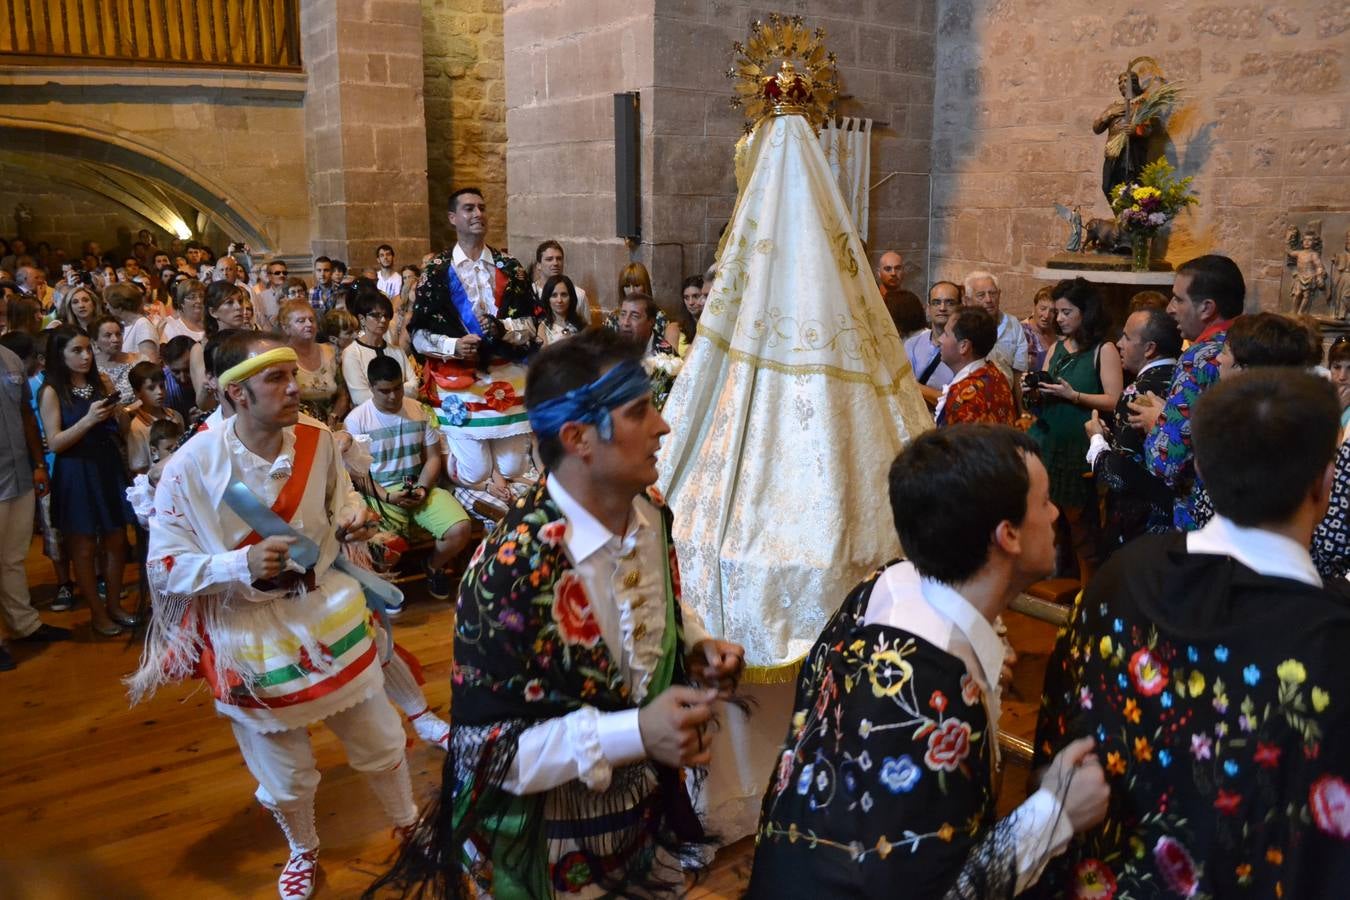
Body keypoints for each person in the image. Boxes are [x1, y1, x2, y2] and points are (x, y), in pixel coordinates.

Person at [372, 328, 745, 898]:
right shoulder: (511, 568)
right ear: (578, 438)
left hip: (640, 821)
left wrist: (690, 641)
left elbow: (640, 601)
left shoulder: (648, 510)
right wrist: (638, 730)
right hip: (547, 838)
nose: (662, 426)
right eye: (640, 411)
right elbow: (491, 755)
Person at [748, 425, 1108, 897]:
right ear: (1008, 535)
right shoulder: (933, 691)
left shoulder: (885, 587)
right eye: (1044, 502)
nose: (1057, 512)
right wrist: (1054, 815)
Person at [1032, 370, 1350, 899]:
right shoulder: (1335, 644)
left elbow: (1061, 734)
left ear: (1199, 466)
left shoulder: (1120, 576)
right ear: (1324, 482)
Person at [128, 331, 418, 900]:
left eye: (293, 375)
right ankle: (303, 848)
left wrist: (352, 521)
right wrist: (238, 564)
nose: (296, 388)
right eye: (277, 379)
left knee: (382, 738)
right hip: (249, 629)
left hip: (326, 610)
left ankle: (409, 824)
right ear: (236, 393)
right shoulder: (190, 467)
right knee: (284, 773)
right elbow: (164, 566)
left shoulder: (315, 438)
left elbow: (341, 502)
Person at [408, 187, 538, 501]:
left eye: (481, 207)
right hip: (460, 382)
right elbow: (418, 334)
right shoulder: (436, 271)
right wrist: (453, 345)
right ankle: (469, 491)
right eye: (468, 209)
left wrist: (502, 328)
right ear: (453, 218)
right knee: (475, 470)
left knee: (512, 466)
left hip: (506, 379)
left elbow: (531, 325)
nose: (477, 214)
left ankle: (503, 520)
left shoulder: (511, 267)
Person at [344, 355, 472, 601]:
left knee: (460, 528)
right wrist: (387, 496)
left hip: (417, 486)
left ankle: (433, 566)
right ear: (371, 388)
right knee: (383, 542)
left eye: (397, 388)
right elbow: (356, 473)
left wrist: (423, 488)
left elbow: (434, 457)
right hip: (379, 491)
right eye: (384, 391)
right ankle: (382, 585)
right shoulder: (357, 420)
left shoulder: (419, 410)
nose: (393, 396)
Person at [1131, 254, 1245, 531]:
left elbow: (1164, 462)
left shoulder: (1200, 359)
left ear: (1206, 307)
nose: (1170, 309)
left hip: (1200, 516)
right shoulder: (1250, 347)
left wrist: (1156, 421)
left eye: (1178, 299)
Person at [38, 327, 137, 635]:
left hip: (106, 464)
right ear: (60, 356)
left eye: (87, 350)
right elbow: (54, 442)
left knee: (117, 540)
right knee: (82, 546)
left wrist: (119, 413)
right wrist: (89, 419)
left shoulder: (102, 381)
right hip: (75, 470)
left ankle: (115, 605)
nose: (85, 357)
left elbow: (120, 428)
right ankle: (96, 612)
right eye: (76, 351)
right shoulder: (52, 391)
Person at [1027, 278, 1124, 583]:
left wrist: (1075, 396)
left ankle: (1087, 593)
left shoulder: (1103, 349)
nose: (1059, 319)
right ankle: (1046, 588)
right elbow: (1048, 392)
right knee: (1045, 522)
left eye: (1067, 312)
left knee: (1081, 527)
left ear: (1086, 312)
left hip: (1078, 447)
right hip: (1047, 440)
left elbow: (1114, 400)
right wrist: (1033, 389)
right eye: (1057, 312)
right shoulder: (1057, 345)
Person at [1085, 306, 1181, 552]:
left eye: (1127, 337)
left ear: (1149, 348)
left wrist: (1097, 440)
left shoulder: (1136, 395)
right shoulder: (1186, 382)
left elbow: (1118, 477)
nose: (1118, 343)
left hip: (1144, 529)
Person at [0, 336, 70, 671]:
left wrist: (39, 464)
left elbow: (27, 415)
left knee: (13, 557)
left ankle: (24, 624)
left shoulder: (11, 360)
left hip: (19, 475)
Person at [935, 305, 1015, 426]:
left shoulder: (965, 396)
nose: (939, 340)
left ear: (963, 346)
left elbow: (957, 444)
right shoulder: (994, 373)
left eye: (946, 334)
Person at [340, 290, 418, 406]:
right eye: (376, 315)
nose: (383, 320)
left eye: (386, 316)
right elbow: (360, 398)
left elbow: (415, 387)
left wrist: (380, 393)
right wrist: (401, 388)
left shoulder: (397, 351)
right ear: (362, 319)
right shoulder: (352, 353)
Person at [278, 298, 348, 426]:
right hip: (298, 426)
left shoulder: (330, 351)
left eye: (311, 320)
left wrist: (333, 417)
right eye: (301, 321)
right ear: (286, 328)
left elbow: (343, 395)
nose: (309, 324)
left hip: (333, 424)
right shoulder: (282, 357)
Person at [190, 280, 251, 412]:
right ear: (213, 312)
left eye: (240, 301)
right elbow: (203, 404)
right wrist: (209, 385)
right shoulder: (200, 350)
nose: (239, 307)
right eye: (229, 302)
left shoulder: (251, 342)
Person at [964, 271, 1029, 396]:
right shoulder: (961, 327)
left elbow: (1018, 372)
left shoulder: (1013, 324)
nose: (989, 300)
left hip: (1005, 398)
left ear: (999, 294)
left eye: (992, 293)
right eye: (981, 295)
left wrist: (1023, 412)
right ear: (968, 300)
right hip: (970, 398)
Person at [904, 281, 961, 408]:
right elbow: (903, 388)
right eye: (936, 302)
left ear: (960, 308)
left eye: (950, 302)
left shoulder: (964, 349)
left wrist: (915, 387)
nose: (942, 308)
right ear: (928, 309)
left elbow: (956, 402)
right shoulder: (912, 344)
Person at [125, 361, 185, 475]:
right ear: (137, 393)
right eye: (151, 388)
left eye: (162, 386)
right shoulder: (137, 427)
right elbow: (140, 468)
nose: (159, 392)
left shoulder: (176, 416)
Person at [532, 240, 593, 324]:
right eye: (549, 259)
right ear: (538, 265)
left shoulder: (579, 294)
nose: (555, 263)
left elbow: (587, 331)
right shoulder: (529, 293)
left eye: (559, 258)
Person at [91, 315, 143, 404]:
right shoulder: (89, 367)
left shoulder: (138, 362)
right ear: (95, 342)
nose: (115, 339)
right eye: (108, 335)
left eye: (118, 334)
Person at [105, 282, 159, 363]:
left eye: (108, 303)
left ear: (119, 306)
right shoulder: (124, 325)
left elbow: (149, 363)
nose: (107, 307)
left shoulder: (142, 325)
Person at [534, 273, 587, 348]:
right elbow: (544, 356)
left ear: (571, 297)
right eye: (554, 295)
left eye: (564, 295)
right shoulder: (543, 327)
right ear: (548, 299)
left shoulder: (581, 324)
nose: (559, 300)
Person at [1021, 285, 1056, 374]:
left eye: (1052, 311)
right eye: (1043, 309)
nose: (1046, 315)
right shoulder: (1021, 332)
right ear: (1034, 307)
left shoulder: (1059, 332)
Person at [161, 279, 207, 343]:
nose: (198, 301)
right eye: (192, 297)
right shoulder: (172, 326)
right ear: (182, 302)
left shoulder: (212, 323)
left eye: (201, 296)